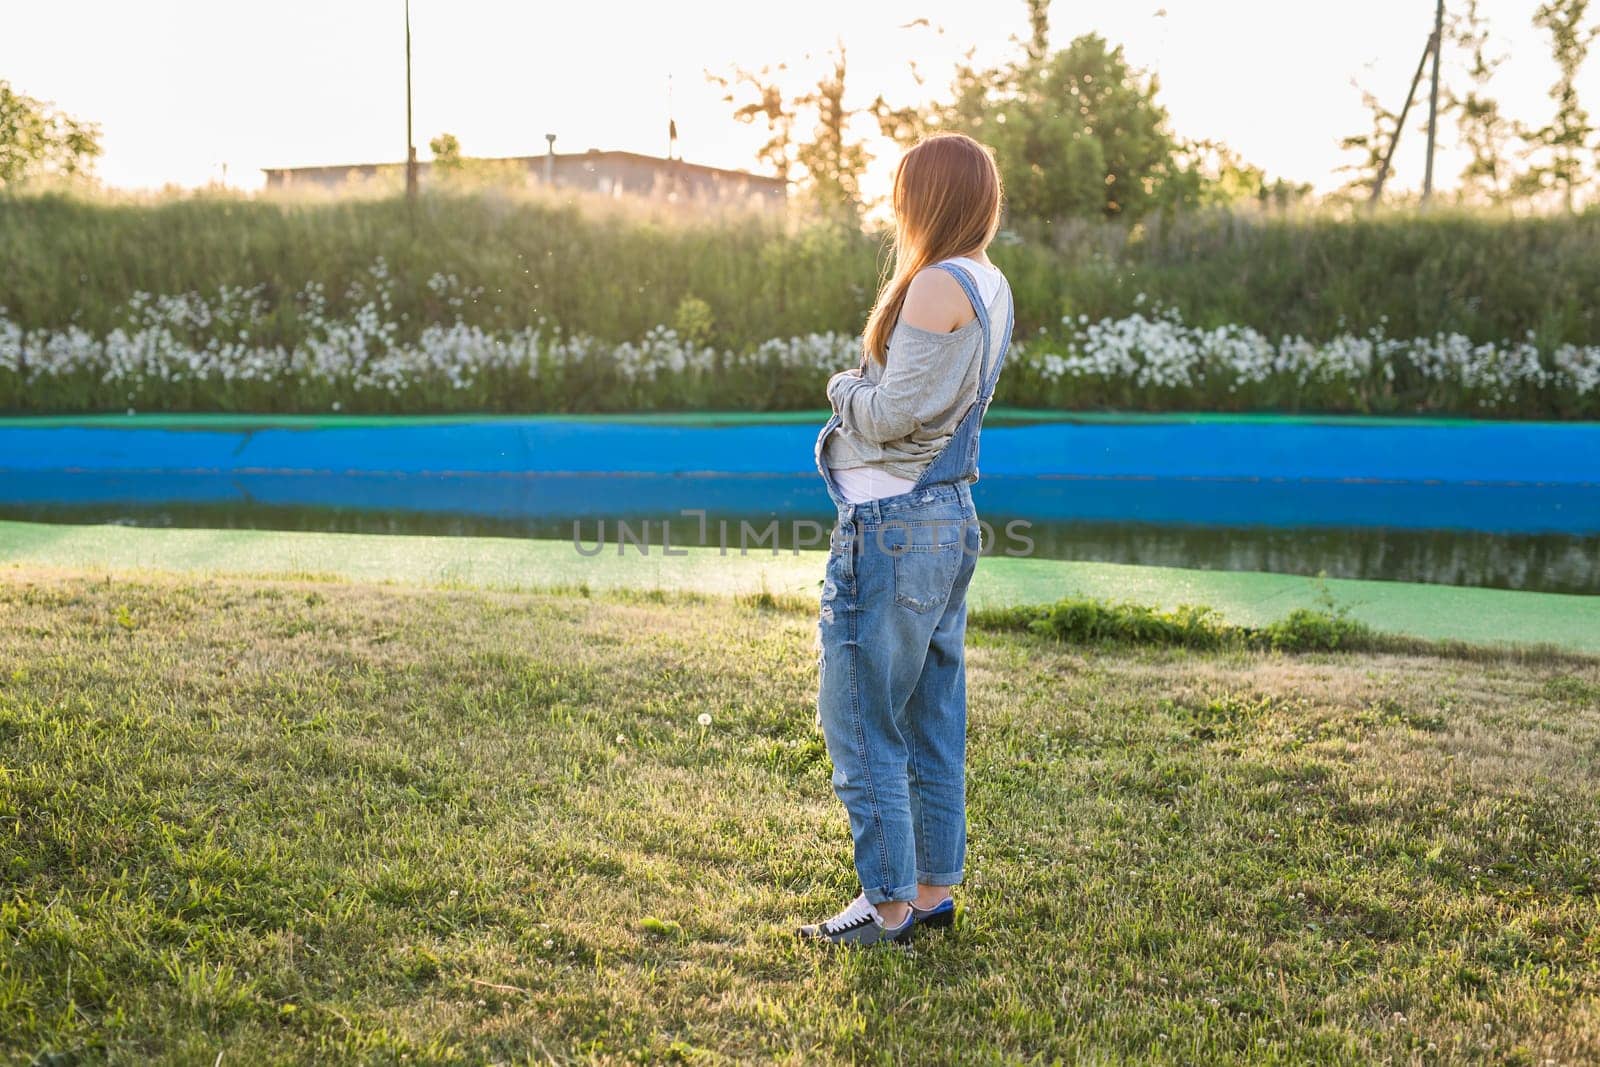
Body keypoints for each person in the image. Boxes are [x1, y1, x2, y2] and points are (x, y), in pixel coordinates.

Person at [799, 132, 1014, 946]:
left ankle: (887, 906)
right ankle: (930, 891)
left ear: (924, 199)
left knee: (858, 718)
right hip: (944, 518)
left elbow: (892, 414)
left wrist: (843, 387)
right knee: (929, 716)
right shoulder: (990, 283)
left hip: (893, 528)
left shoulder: (933, 284)